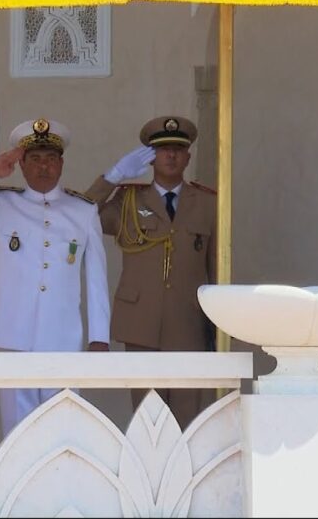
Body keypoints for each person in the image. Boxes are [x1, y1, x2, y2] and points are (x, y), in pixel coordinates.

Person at [0, 119, 110, 442]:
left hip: (63, 337)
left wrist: (99, 337)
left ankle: (59, 493)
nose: (43, 166)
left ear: (61, 163)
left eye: (50, 158)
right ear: (20, 164)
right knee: (16, 432)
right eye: (34, 159)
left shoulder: (83, 211)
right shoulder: (0, 205)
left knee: (63, 427)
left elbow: (96, 280)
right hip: (12, 334)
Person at [84, 115, 216, 427]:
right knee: (147, 420)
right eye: (162, 150)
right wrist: (114, 176)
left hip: (190, 322)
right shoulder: (128, 199)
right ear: (150, 158)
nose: (170, 156)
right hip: (141, 322)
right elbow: (81, 214)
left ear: (188, 157)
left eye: (177, 150)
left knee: (188, 417)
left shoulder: (209, 203)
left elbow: (215, 268)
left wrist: (217, 324)